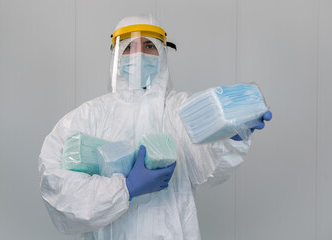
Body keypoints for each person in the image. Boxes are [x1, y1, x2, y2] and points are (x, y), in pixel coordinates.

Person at [39, 14, 272, 240]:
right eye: (129, 46)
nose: (139, 54)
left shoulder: (182, 110)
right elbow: (57, 186)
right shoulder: (87, 117)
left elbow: (205, 167)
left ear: (162, 53)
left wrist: (231, 135)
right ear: (117, 56)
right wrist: (125, 189)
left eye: (149, 45)